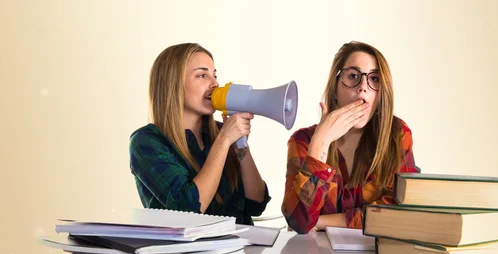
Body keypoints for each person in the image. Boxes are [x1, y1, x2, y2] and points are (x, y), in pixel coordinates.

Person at [281, 41, 421, 234]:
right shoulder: (304, 140)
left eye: (374, 79)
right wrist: (321, 141)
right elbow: (298, 222)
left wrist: (321, 222)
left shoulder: (397, 134)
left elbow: (400, 210)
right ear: (336, 88)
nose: (363, 87)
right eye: (353, 76)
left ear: (381, 96)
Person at [129, 43, 271, 225]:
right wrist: (224, 141)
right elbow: (188, 209)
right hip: (186, 253)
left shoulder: (220, 131)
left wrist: (241, 146)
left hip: (238, 250)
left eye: (215, 75)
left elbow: (256, 204)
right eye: (202, 75)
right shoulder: (146, 142)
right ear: (174, 84)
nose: (215, 84)